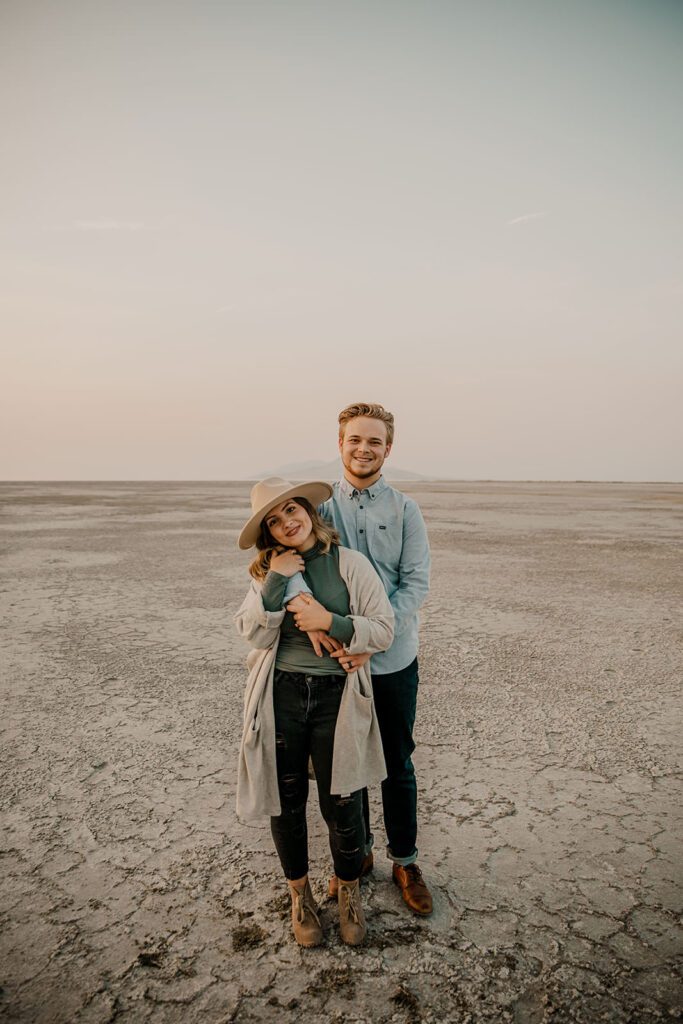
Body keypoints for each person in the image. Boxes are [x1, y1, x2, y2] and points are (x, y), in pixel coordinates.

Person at [234, 477, 394, 947]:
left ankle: (348, 893)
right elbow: (255, 635)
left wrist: (332, 622)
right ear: (268, 532)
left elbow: (383, 628)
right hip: (279, 693)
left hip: (335, 696)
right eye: (274, 520)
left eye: (292, 510)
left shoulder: (349, 563)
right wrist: (278, 579)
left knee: (341, 798)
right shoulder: (267, 572)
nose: (287, 522)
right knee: (285, 801)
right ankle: (299, 896)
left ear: (308, 510)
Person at [287, 402, 433, 916]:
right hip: (337, 665)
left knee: (396, 762)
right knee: (346, 766)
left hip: (391, 661)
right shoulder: (320, 509)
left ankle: (406, 860)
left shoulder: (405, 509)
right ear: (340, 443)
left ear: (388, 448)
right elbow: (292, 566)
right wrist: (318, 620)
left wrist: (372, 638)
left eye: (374, 441)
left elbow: (416, 584)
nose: (363, 449)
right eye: (355, 440)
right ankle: (360, 854)